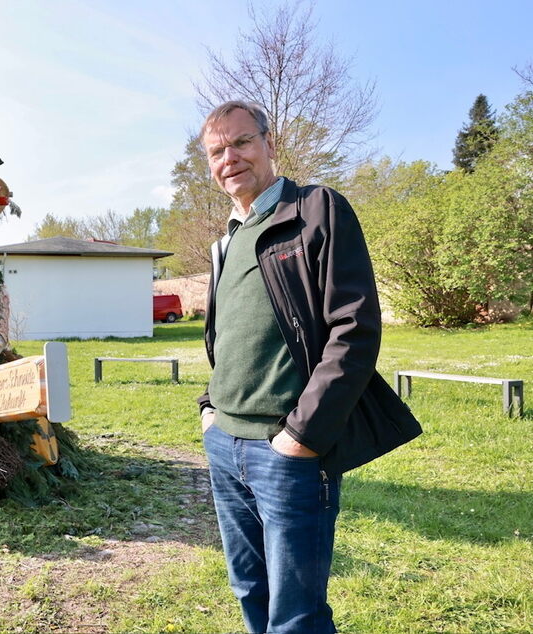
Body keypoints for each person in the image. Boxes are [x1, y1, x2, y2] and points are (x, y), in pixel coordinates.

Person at [196, 101, 421, 634]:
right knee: (249, 589)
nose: (231, 158)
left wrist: (303, 435)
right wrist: (210, 409)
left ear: (269, 144)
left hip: (288, 452)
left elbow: (354, 329)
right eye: (217, 151)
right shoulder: (224, 242)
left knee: (296, 614)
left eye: (242, 142)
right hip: (225, 446)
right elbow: (223, 339)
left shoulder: (316, 209)